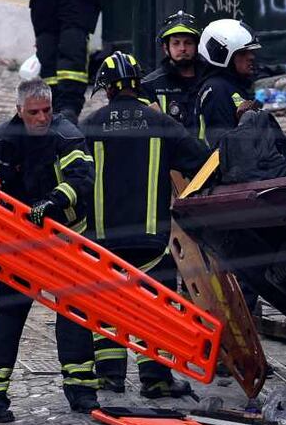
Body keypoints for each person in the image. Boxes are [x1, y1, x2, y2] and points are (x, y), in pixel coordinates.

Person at [0, 78, 99, 422]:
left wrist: (53, 201)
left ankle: (81, 392)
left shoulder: (67, 135)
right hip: (17, 245)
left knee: (75, 314)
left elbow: (82, 179)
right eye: (33, 112)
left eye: (46, 111)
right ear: (19, 111)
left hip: (65, 241)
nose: (41, 118)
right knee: (8, 314)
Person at [81, 51, 211, 398]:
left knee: (105, 305)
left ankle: (110, 376)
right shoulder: (161, 123)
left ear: (106, 89)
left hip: (103, 241)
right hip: (152, 240)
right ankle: (155, 378)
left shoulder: (90, 126)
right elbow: (200, 160)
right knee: (157, 307)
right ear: (139, 84)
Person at [194, 19, 262, 146]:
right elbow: (222, 147)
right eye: (243, 53)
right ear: (222, 54)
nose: (251, 57)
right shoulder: (216, 90)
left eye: (251, 52)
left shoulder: (234, 85)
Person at [141, 11, 207, 122]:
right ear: (166, 48)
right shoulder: (149, 85)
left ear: (197, 46)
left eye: (188, 43)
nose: (182, 48)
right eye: (176, 43)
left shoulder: (210, 80)